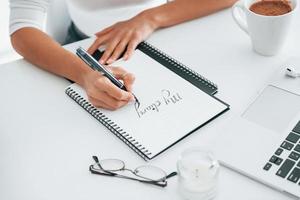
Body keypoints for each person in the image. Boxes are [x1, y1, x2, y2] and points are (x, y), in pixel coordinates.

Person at [10, 0, 236, 110]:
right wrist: (85, 75)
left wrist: (150, 18)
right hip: (87, 52)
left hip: (168, 27)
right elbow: (22, 29)